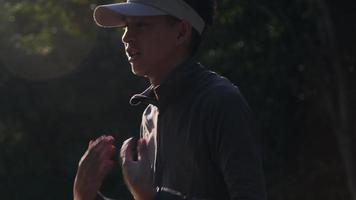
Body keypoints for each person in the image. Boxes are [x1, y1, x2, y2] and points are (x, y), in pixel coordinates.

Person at [73, 0, 266, 199]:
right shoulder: (150, 113)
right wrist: (85, 194)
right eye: (126, 26)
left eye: (140, 25)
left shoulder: (221, 102)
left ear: (181, 32)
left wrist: (150, 196)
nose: (126, 37)